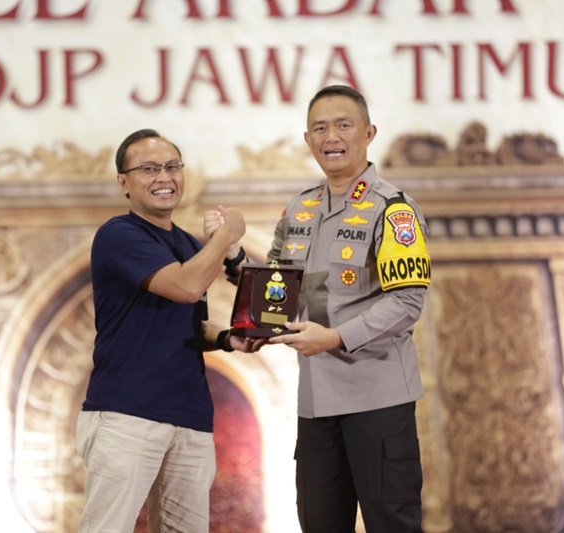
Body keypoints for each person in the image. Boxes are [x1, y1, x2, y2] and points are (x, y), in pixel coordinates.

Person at [267, 85, 432, 532]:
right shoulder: (299, 207)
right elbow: (276, 283)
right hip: (315, 406)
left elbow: (407, 301)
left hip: (378, 400)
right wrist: (231, 260)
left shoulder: (394, 209)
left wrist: (336, 337)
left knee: (391, 524)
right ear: (308, 139)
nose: (331, 137)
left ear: (368, 133)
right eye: (320, 128)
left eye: (343, 125)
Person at [76, 128, 256, 533]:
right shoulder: (119, 234)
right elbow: (186, 286)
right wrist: (226, 235)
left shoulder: (190, 246)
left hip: (190, 416)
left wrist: (225, 339)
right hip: (127, 414)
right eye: (149, 169)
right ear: (123, 182)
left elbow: (189, 324)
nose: (164, 177)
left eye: (173, 167)